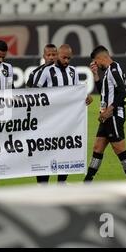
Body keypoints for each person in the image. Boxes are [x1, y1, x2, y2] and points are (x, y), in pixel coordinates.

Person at [34, 44, 93, 184]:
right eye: (63, 57)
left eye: (69, 58)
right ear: (57, 55)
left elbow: (77, 91)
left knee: (65, 149)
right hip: (48, 121)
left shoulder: (72, 71)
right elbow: (35, 92)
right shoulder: (47, 71)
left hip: (66, 121)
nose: (66, 60)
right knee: (46, 151)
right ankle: (43, 185)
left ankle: (62, 182)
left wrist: (86, 96)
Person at [84, 46, 126, 182]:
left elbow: (122, 92)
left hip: (113, 116)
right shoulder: (109, 71)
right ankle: (87, 181)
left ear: (101, 58)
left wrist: (110, 110)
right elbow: (104, 91)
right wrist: (96, 75)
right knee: (97, 147)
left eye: (96, 61)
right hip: (106, 117)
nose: (95, 64)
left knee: (119, 148)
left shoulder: (114, 69)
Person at [26, 44, 58, 184]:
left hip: (60, 119)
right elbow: (29, 93)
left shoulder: (65, 71)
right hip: (42, 120)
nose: (51, 57)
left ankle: (61, 182)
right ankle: (42, 184)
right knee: (43, 152)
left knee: (60, 150)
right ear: (44, 56)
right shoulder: (36, 73)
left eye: (53, 55)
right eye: (48, 55)